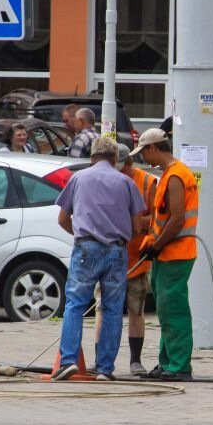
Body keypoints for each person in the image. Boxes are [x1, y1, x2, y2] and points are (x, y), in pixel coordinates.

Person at [53, 137, 146, 381]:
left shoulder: (78, 179)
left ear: (92, 157)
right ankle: (105, 369)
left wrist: (83, 236)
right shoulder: (126, 182)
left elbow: (63, 219)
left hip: (86, 249)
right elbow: (137, 226)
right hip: (117, 251)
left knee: (75, 305)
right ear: (115, 159)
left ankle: (69, 361)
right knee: (113, 309)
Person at [129, 128, 199, 382]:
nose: (144, 158)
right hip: (166, 254)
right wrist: (153, 244)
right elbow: (163, 218)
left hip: (176, 254)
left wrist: (157, 244)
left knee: (174, 310)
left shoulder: (176, 176)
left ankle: (180, 366)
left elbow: (177, 219)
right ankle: (167, 362)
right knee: (165, 309)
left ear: (154, 148)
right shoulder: (169, 174)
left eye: (144, 152)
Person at [92, 143, 157, 376]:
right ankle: (100, 361)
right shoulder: (108, 180)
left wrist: (137, 224)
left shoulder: (148, 183)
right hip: (109, 258)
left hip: (135, 259)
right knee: (103, 310)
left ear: (129, 163)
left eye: (122, 169)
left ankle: (135, 361)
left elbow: (157, 217)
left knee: (136, 311)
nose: (118, 173)